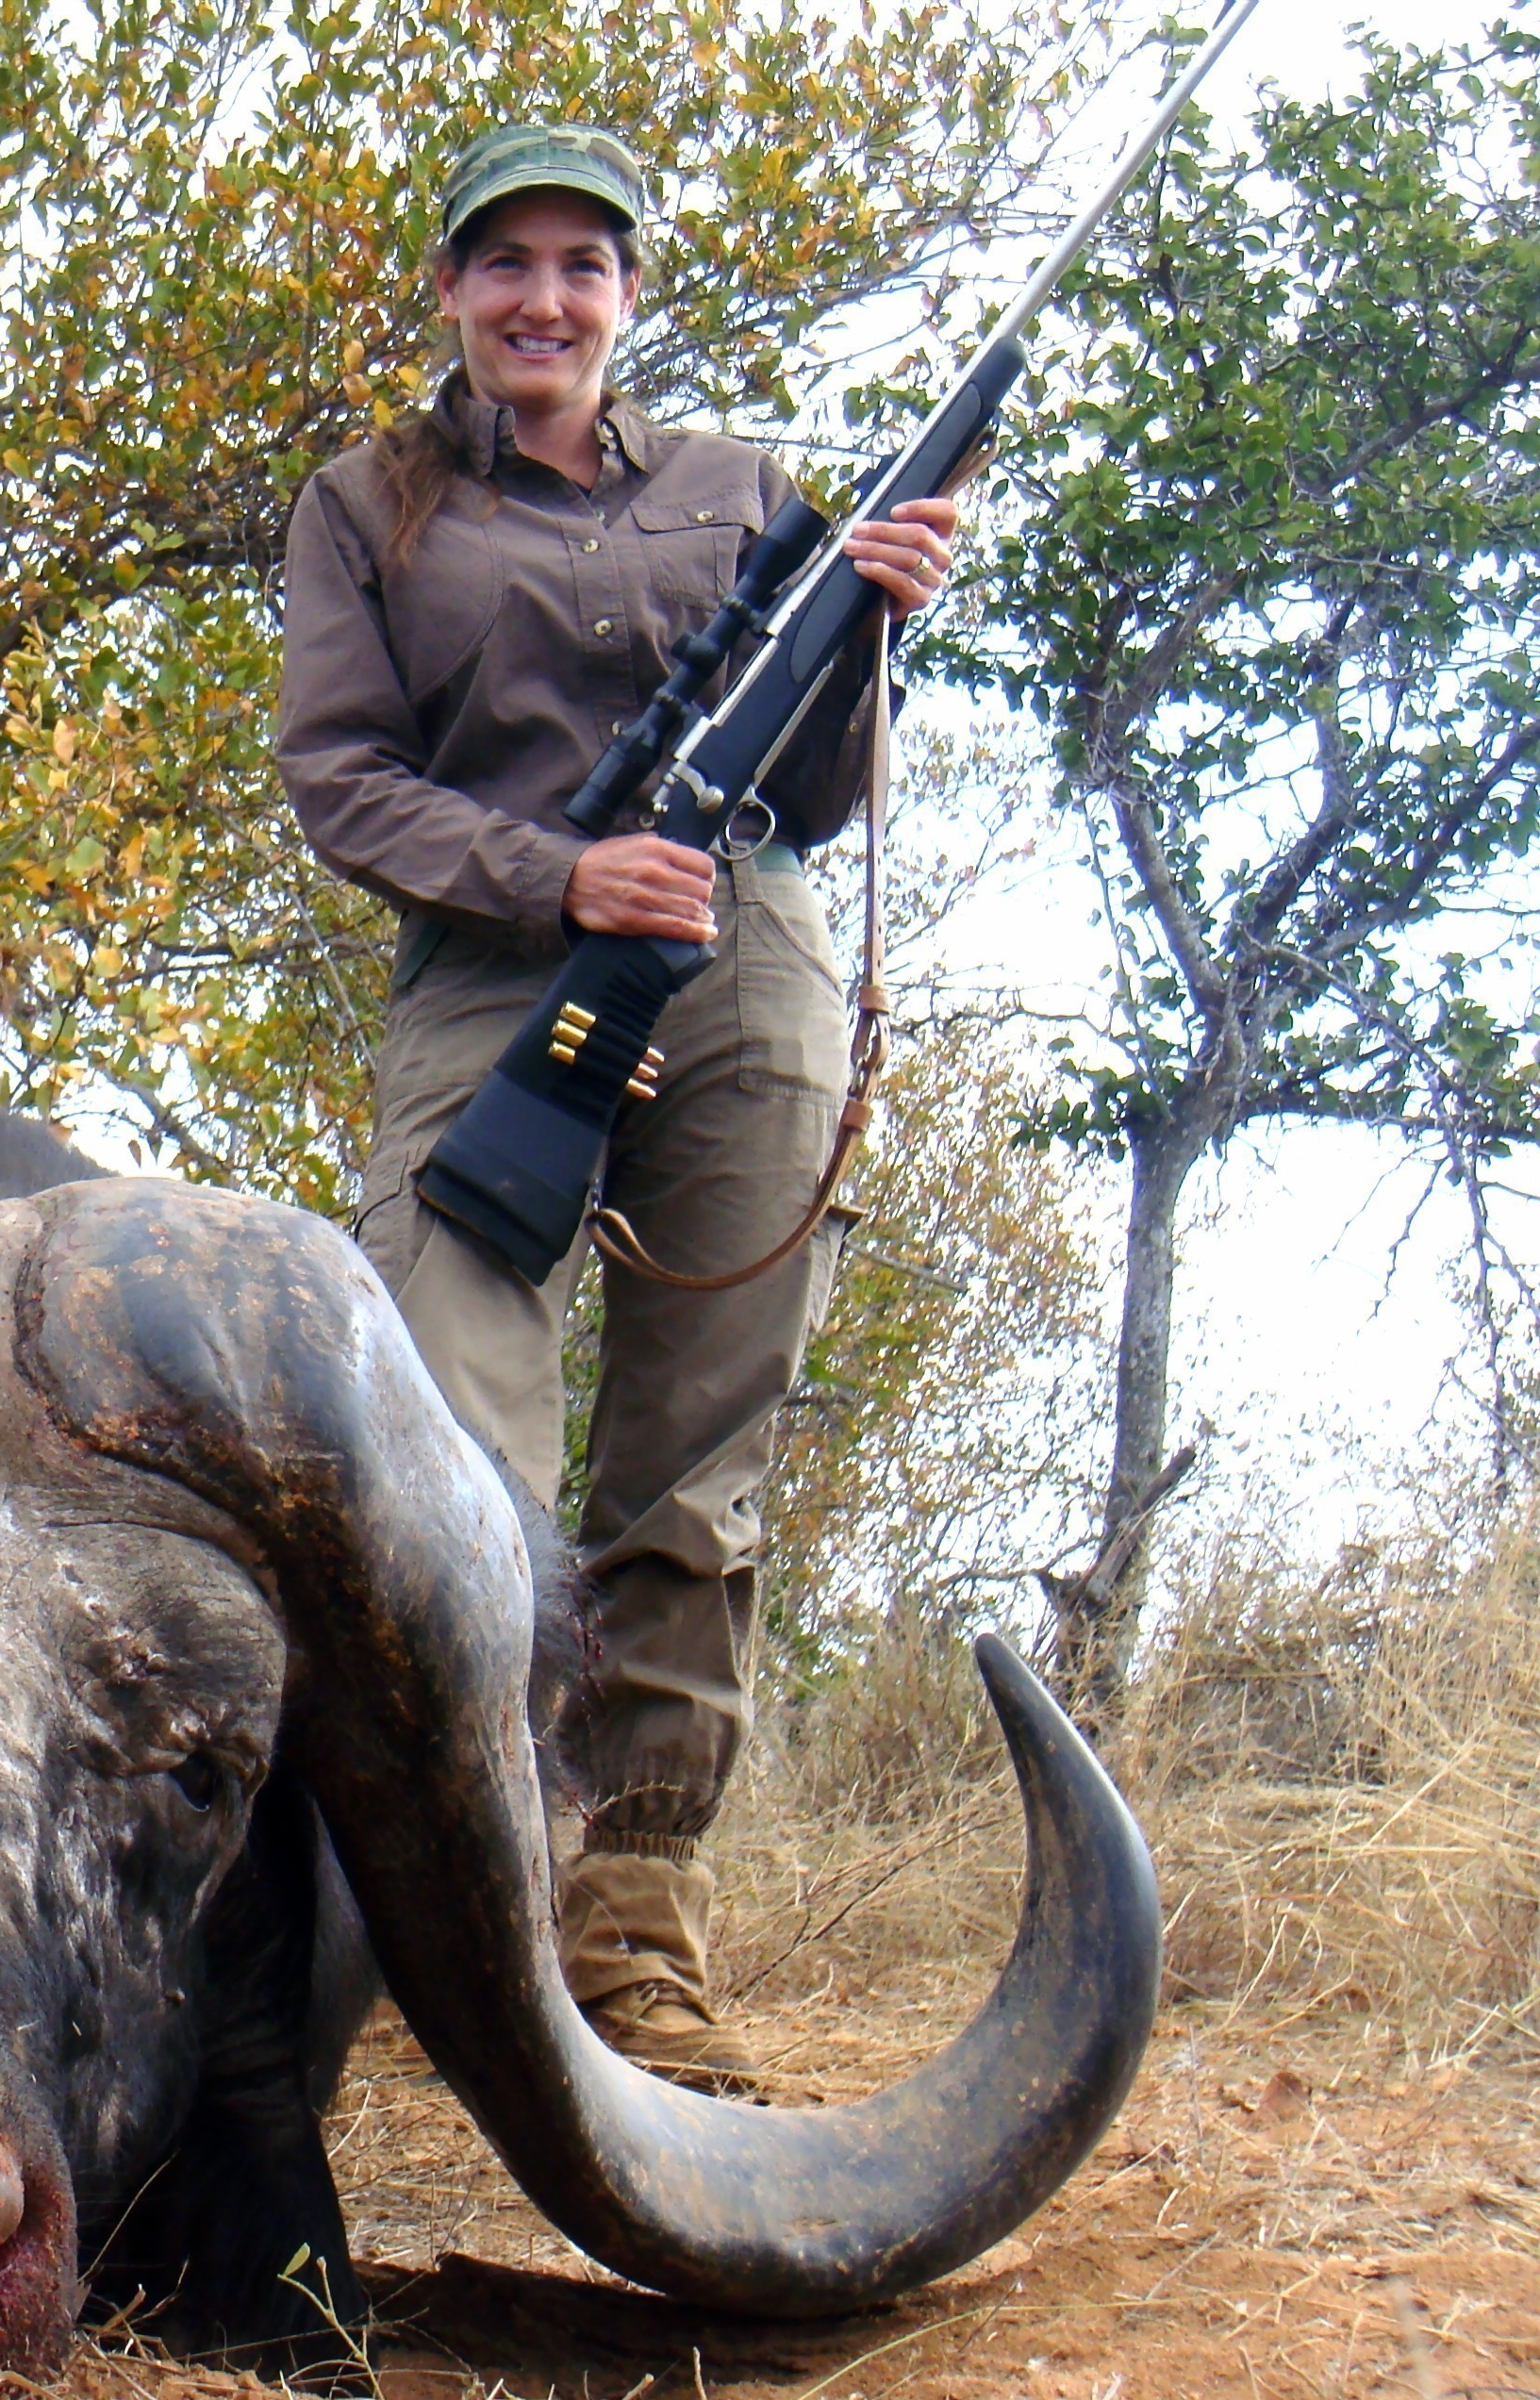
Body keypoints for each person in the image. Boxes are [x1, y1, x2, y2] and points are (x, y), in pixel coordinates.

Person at [274, 124, 957, 2086]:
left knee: (695, 1470)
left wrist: (872, 624)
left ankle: (638, 1941)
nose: (543, 302)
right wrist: (555, 878)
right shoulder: (362, 505)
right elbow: (342, 780)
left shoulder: (747, 492)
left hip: (744, 968)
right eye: (506, 267)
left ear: (630, 295)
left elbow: (814, 795)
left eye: (583, 266)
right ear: (451, 293)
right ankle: (457, 1919)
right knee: (447, 1459)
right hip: (494, 988)